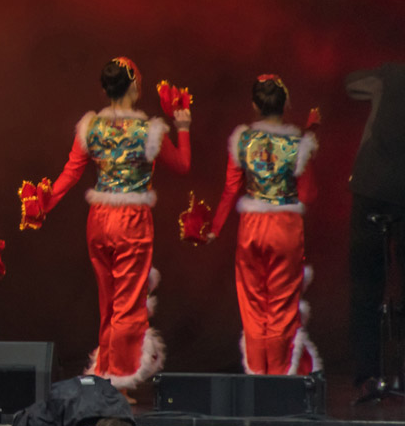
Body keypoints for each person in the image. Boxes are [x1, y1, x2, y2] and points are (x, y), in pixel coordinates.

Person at [23, 58, 191, 393]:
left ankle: (106, 371)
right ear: (136, 88)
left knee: (108, 302)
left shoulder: (91, 127)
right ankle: (118, 381)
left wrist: (44, 203)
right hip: (131, 220)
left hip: (98, 219)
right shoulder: (149, 131)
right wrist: (183, 125)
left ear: (104, 89)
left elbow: (70, 173)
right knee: (127, 304)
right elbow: (183, 165)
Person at [202, 75, 320, 376]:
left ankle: (258, 378)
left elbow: (230, 190)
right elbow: (307, 194)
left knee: (254, 307)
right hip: (285, 226)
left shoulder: (242, 140)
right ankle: (278, 382)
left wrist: (214, 228)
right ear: (286, 104)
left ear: (255, 105)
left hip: (252, 226)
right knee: (281, 307)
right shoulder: (297, 143)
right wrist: (308, 150)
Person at [344, 64, 405, 403]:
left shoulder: (389, 76)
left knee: (365, 284)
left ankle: (368, 375)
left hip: (372, 187)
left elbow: (351, 83)